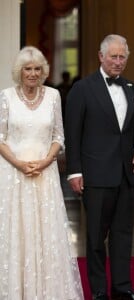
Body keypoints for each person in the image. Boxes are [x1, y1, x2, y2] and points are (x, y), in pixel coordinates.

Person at [65, 34, 134, 300]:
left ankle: (122, 288)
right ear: (101, 57)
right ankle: (99, 291)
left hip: (125, 175)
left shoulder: (132, 88)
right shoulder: (82, 88)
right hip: (95, 175)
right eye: (113, 56)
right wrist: (75, 171)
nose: (118, 61)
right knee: (96, 237)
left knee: (123, 235)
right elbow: (73, 134)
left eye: (123, 56)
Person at [0, 46, 84, 299]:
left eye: (38, 69)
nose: (33, 73)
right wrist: (18, 163)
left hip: (44, 175)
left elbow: (59, 135)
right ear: (20, 71)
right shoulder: (5, 96)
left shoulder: (54, 96)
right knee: (17, 230)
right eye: (28, 69)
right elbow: (0, 137)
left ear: (44, 71)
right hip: (14, 175)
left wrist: (47, 160)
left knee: (45, 232)